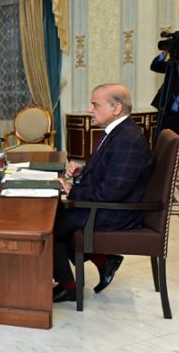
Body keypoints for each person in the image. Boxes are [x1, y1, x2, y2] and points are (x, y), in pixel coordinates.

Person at [54, 83, 153, 302]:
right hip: (111, 204)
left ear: (116, 108)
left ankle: (70, 287)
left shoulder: (128, 139)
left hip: (117, 212)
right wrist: (82, 172)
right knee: (56, 216)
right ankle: (103, 260)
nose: (90, 109)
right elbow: (110, 174)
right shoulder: (117, 132)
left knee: (48, 227)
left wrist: (73, 190)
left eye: (95, 104)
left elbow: (111, 192)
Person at [150, 49, 179, 182]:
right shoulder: (176, 62)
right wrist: (163, 54)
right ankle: (162, 177)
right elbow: (155, 66)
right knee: (165, 142)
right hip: (168, 109)